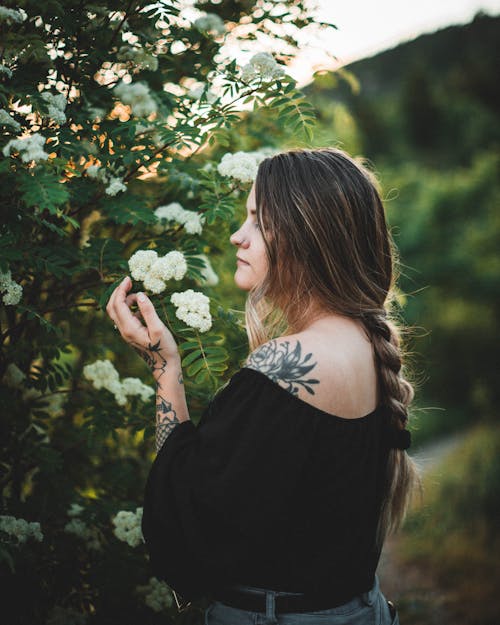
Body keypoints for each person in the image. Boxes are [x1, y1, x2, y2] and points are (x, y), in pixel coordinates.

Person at [106, 147, 420, 624]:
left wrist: (165, 370)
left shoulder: (287, 364)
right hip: (359, 607)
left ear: (304, 236)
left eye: (256, 220)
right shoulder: (365, 343)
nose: (238, 235)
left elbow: (190, 513)